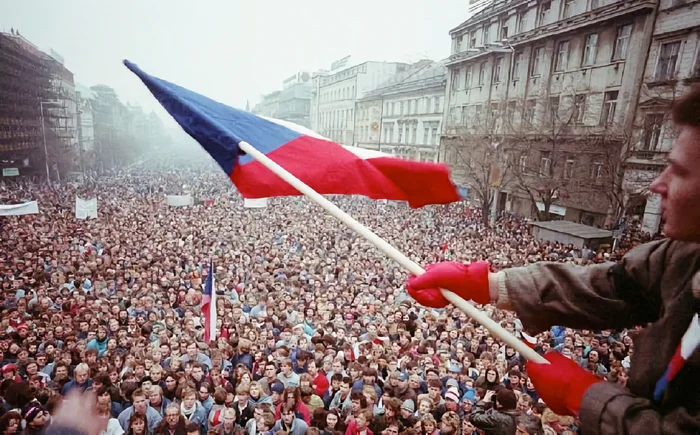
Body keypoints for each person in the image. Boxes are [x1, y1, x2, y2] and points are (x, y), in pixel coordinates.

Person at [406, 86, 700, 433]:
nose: (657, 184)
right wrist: (488, 284)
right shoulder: (685, 255)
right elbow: (613, 286)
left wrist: (586, 397)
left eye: (678, 171)